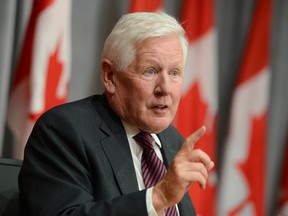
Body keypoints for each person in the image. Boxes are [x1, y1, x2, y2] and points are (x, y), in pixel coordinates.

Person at [18, 12, 214, 216]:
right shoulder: (64, 131)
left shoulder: (172, 142)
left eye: (174, 73)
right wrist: (159, 198)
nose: (165, 88)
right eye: (150, 71)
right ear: (110, 76)